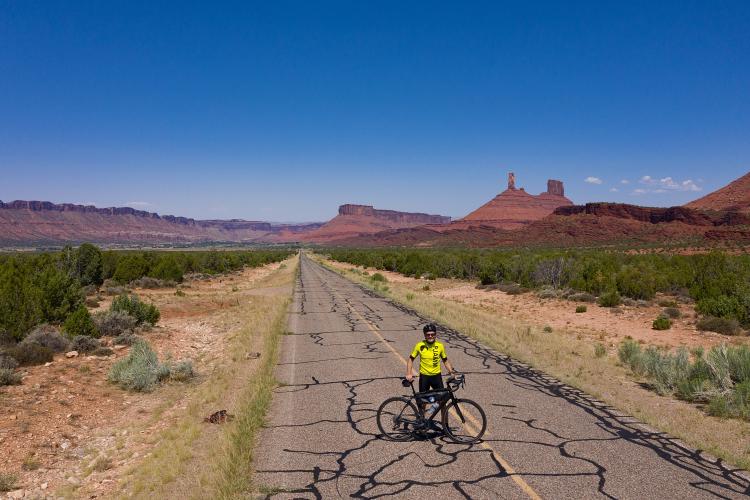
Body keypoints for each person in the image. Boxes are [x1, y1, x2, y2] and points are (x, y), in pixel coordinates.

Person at [406, 323, 456, 395]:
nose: (430, 336)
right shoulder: (419, 345)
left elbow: (445, 361)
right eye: (428, 334)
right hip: (424, 377)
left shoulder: (440, 346)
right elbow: (410, 359)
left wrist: (451, 371)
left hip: (436, 376)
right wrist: (408, 373)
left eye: (432, 334)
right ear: (425, 335)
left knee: (442, 399)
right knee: (423, 401)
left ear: (435, 334)